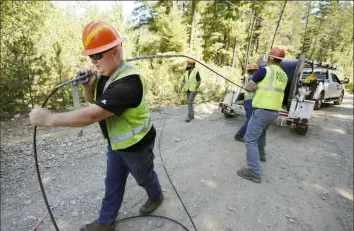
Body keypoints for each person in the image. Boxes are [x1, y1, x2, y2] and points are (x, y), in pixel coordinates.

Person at [29, 20, 164, 231]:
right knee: (112, 183)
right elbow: (94, 102)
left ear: (115, 52)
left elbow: (94, 115)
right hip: (115, 143)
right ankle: (106, 223)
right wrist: (88, 87)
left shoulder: (129, 83)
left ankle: (156, 196)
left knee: (144, 177)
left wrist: (49, 119)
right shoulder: (105, 75)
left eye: (97, 55)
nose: (93, 61)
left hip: (137, 145)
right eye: (91, 56)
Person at [237, 47, 288, 183]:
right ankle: (261, 155)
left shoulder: (264, 70)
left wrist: (255, 88)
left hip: (262, 110)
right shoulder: (284, 75)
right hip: (274, 112)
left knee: (250, 139)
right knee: (262, 133)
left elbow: (248, 87)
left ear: (271, 58)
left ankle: (254, 172)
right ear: (281, 60)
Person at [234, 63, 259, 142]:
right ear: (254, 70)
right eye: (256, 70)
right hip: (250, 101)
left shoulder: (248, 77)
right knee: (250, 120)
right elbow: (252, 88)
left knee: (250, 120)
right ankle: (239, 135)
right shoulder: (252, 78)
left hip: (248, 100)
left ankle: (245, 135)